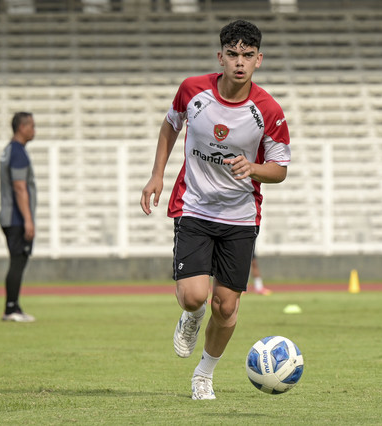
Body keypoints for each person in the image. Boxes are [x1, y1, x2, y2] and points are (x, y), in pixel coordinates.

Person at [140, 20, 290, 400]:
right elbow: (169, 126)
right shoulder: (193, 90)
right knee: (194, 297)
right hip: (194, 207)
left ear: (259, 59)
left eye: (248, 55)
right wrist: (156, 175)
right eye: (233, 54)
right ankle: (191, 317)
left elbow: (280, 169)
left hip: (240, 217)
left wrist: (254, 168)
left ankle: (203, 374)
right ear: (220, 56)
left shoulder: (269, 110)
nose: (240, 62)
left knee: (225, 307)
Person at [0, 112, 37, 322]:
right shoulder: (18, 152)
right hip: (16, 217)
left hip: (9, 214)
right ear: (22, 128)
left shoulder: (8, 150)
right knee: (18, 261)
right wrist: (28, 219)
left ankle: (13, 306)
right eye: (31, 126)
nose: (34, 130)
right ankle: (11, 308)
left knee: (17, 261)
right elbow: (20, 187)